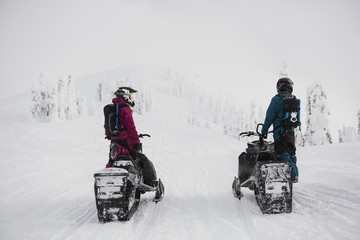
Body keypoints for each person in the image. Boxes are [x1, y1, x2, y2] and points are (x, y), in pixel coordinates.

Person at [105, 87, 158, 187]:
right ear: (125, 96)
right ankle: (151, 183)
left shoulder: (112, 108)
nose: (132, 98)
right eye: (130, 96)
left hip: (115, 143)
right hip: (126, 142)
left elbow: (106, 127)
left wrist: (111, 136)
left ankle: (109, 183)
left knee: (112, 161)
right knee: (142, 159)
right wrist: (137, 142)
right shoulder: (125, 109)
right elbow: (131, 128)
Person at [261, 77, 299, 183]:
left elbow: (269, 117)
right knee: (291, 155)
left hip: (280, 133)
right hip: (291, 133)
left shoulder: (277, 99)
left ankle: (293, 175)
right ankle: (291, 177)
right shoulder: (294, 99)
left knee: (282, 155)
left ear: (279, 87)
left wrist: (264, 131)